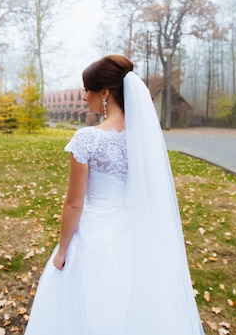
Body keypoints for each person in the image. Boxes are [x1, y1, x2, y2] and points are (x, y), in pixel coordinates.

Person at [24, 54, 204, 335]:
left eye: (88, 90)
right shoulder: (141, 138)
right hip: (131, 230)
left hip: (93, 233)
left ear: (104, 93)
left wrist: (62, 251)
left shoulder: (87, 139)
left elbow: (73, 205)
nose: (85, 98)